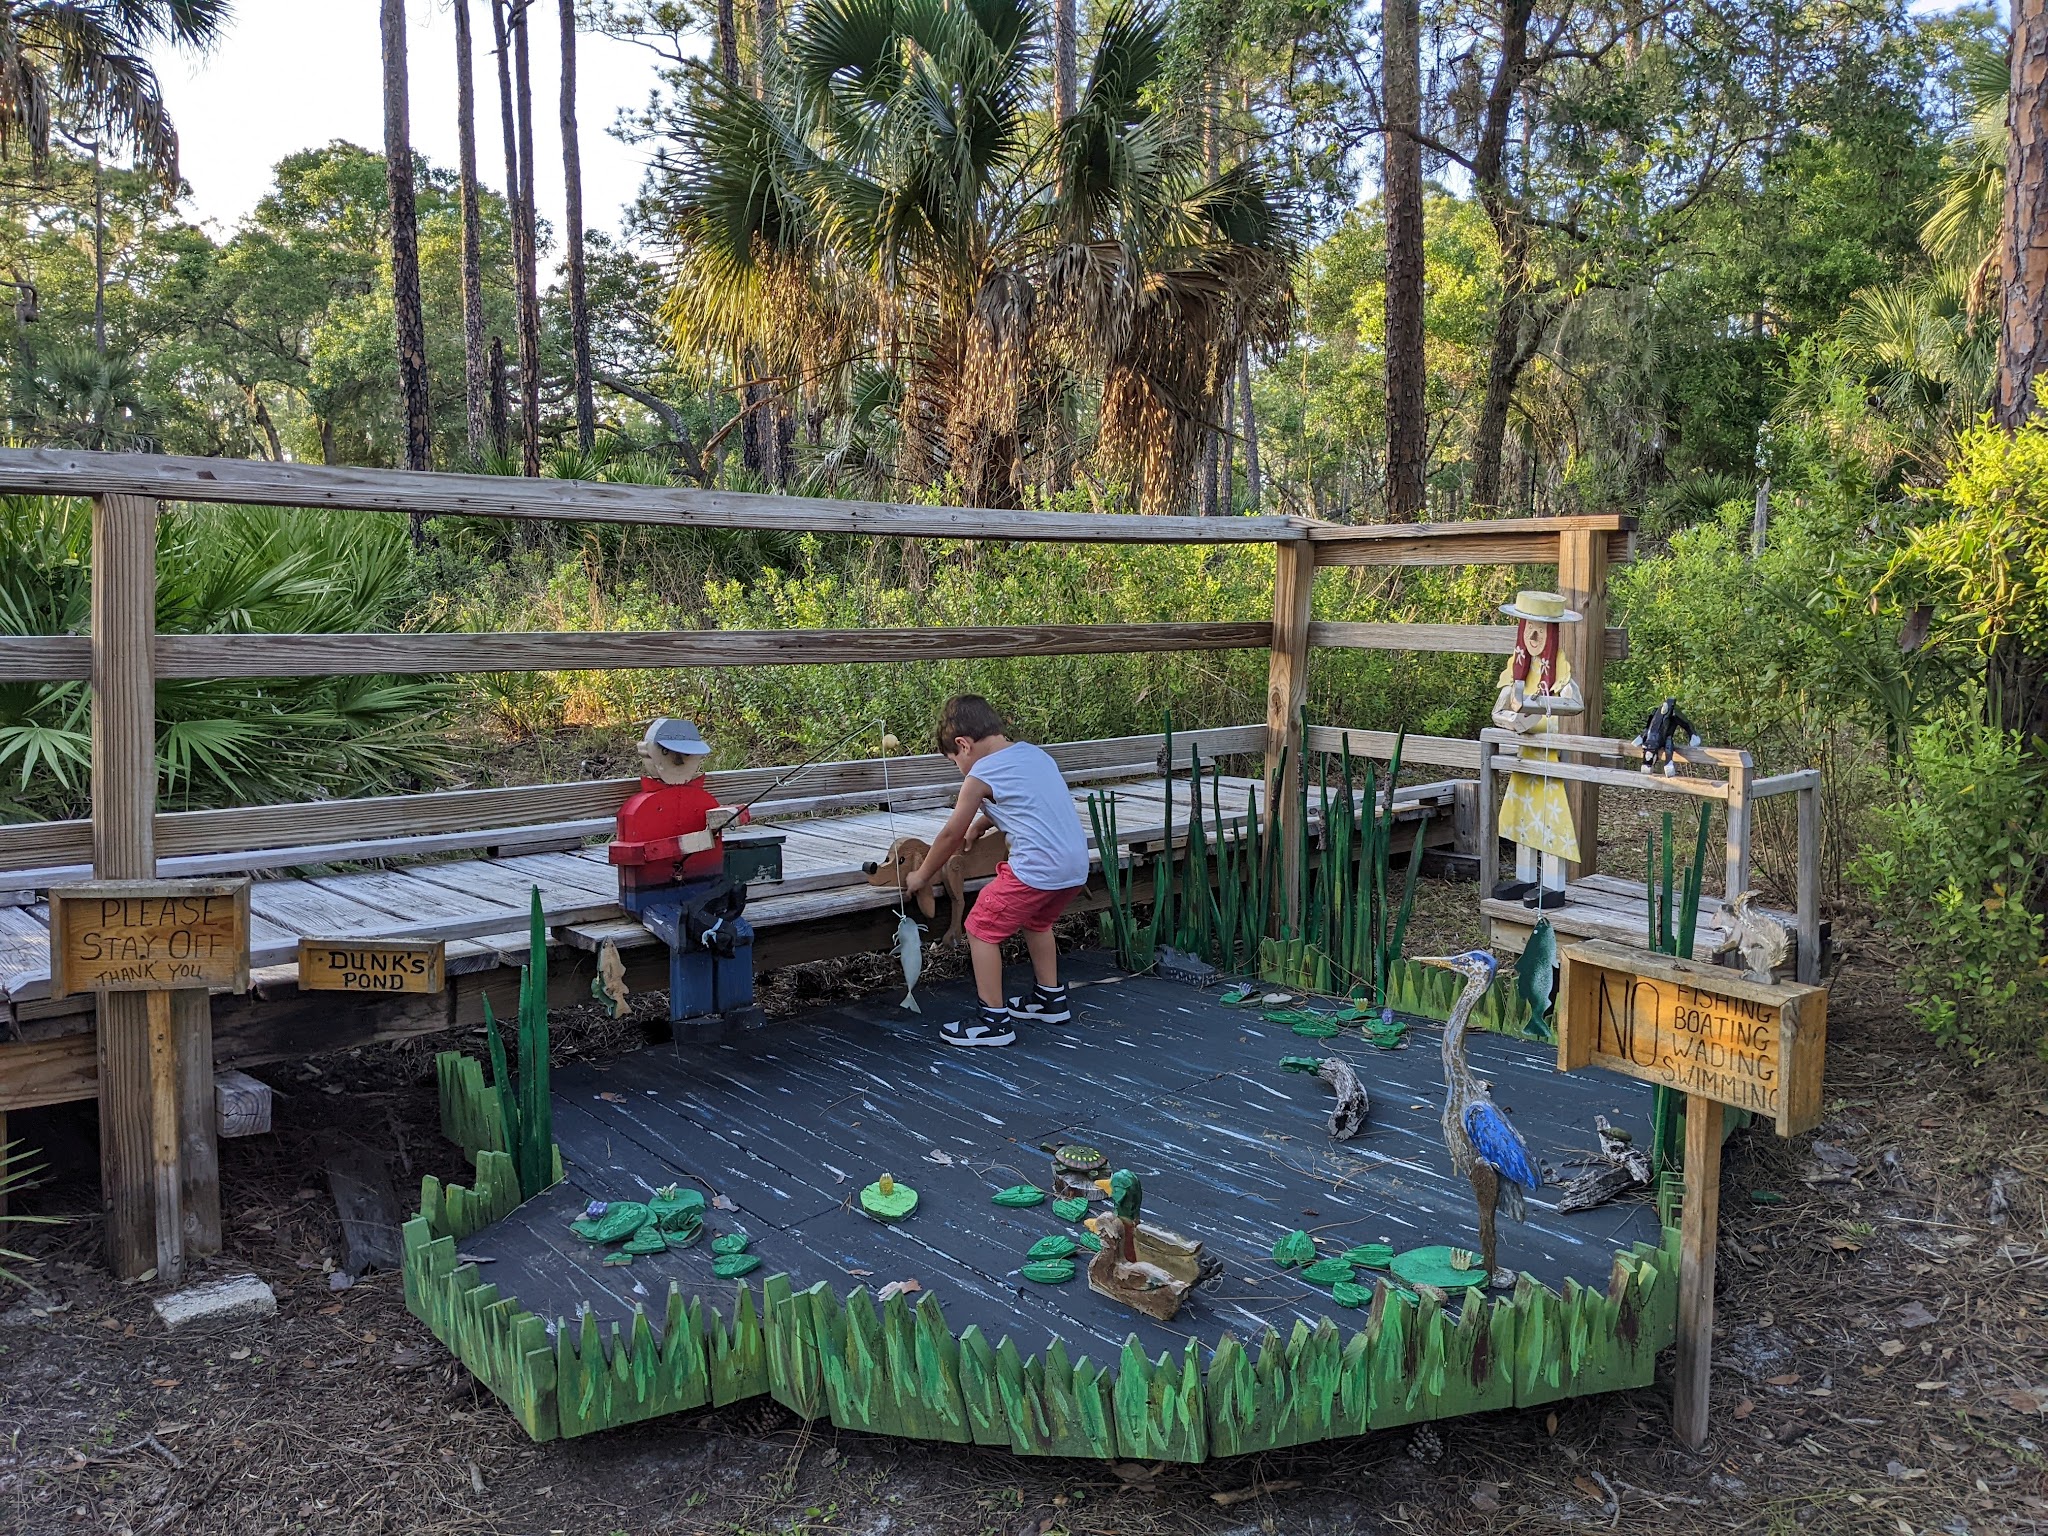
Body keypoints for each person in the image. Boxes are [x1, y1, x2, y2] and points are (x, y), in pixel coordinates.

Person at [904, 696, 1090, 1047]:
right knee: (1038, 923)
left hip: (1035, 869)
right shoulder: (1036, 755)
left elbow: (949, 835)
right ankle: (1049, 1000)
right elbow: (1029, 799)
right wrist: (984, 822)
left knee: (980, 930)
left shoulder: (981, 773)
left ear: (963, 745)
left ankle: (993, 1022)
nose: (959, 767)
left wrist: (922, 875)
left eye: (953, 760)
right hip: (1074, 867)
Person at [1490, 591, 1584, 910]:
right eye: (1528, 627)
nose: (1533, 635)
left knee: (1551, 818)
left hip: (1549, 755)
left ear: (1551, 632)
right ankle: (1525, 876)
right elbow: (1499, 708)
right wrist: (1511, 720)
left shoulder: (1559, 670)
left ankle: (1553, 885)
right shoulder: (1518, 669)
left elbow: (1575, 704)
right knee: (1522, 815)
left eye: (1540, 629)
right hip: (1524, 755)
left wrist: (1543, 707)